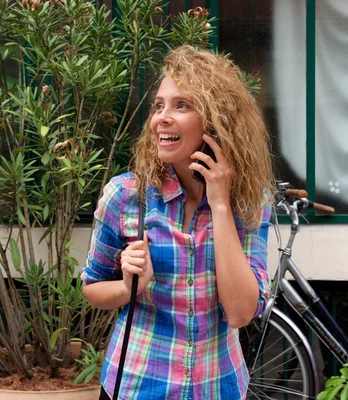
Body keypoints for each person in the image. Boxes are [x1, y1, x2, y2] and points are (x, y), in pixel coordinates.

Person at [82, 45, 273, 400]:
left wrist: (219, 204)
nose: (161, 118)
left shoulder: (248, 201)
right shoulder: (126, 196)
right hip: (138, 386)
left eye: (181, 105)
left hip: (218, 387)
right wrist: (128, 288)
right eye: (159, 106)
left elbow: (241, 312)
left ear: (217, 120)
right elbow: (93, 288)